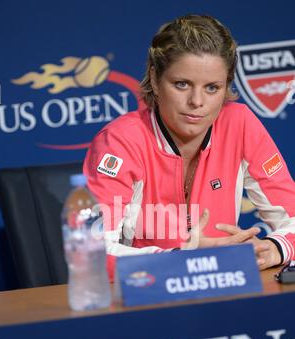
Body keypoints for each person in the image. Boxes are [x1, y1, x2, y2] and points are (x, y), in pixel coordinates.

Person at [83, 14, 295, 280]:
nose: (197, 101)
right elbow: (91, 254)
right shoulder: (119, 142)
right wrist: (185, 257)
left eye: (212, 88)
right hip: (143, 297)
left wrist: (275, 248)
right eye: (181, 84)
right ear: (155, 78)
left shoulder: (240, 124)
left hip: (224, 291)